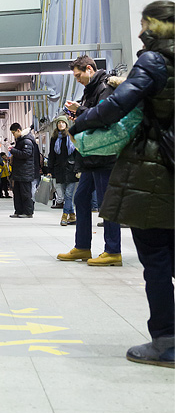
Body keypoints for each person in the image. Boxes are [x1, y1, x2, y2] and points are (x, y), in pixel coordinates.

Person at [69, 0, 173, 367]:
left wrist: (82, 122)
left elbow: (121, 103)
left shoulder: (154, 60)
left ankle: (166, 341)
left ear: (152, 25)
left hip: (157, 164)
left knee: (157, 254)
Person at [58, 55, 125, 265]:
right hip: (92, 156)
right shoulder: (91, 90)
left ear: (89, 68)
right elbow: (93, 116)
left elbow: (105, 117)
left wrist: (81, 111)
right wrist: (78, 116)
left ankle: (113, 251)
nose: (77, 79)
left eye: (78, 75)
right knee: (81, 198)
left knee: (106, 202)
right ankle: (82, 247)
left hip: (105, 155)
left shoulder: (106, 88)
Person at [47, 116, 79, 226]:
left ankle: (64, 216)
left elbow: (77, 154)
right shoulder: (54, 138)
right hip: (59, 169)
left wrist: (79, 168)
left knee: (69, 194)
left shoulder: (71, 136)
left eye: (63, 122)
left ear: (66, 124)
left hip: (71, 169)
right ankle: (72, 215)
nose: (61, 124)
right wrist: (50, 170)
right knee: (65, 194)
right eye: (59, 123)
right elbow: (51, 155)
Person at [8, 123, 39, 218]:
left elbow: (26, 154)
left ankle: (28, 212)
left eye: (13, 133)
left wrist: (13, 151)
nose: (13, 135)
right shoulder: (20, 140)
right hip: (19, 171)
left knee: (25, 193)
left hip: (26, 172)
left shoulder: (27, 141)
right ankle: (19, 211)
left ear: (18, 130)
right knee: (17, 193)